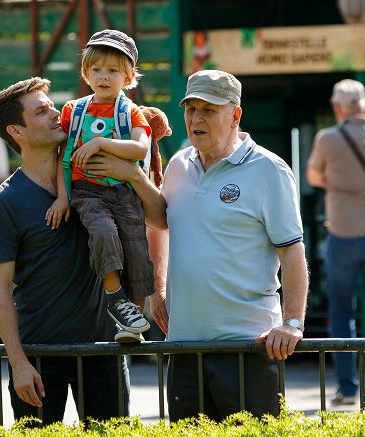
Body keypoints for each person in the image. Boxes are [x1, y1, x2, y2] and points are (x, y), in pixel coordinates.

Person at [85, 69, 309, 421]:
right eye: (191, 109)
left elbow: (292, 250)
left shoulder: (270, 170)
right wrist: (157, 290)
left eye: (208, 109)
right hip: (183, 345)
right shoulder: (178, 163)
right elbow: (162, 221)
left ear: (234, 115)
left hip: (248, 346)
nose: (196, 118)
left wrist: (293, 322)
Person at [0, 77, 129, 425]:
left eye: (51, 106)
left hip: (103, 350)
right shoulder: (3, 202)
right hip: (39, 357)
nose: (55, 114)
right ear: (16, 131)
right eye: (41, 111)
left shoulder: (94, 177)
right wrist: (18, 362)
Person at [45, 29, 153, 342]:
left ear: (129, 76)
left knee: (136, 252)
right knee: (104, 234)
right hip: (87, 193)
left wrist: (100, 143)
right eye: (96, 69)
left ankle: (131, 324)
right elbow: (62, 158)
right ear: (86, 73)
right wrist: (64, 198)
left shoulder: (130, 112)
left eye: (113, 71)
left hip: (123, 194)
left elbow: (140, 149)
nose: (103, 77)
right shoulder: (74, 111)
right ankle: (115, 297)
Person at [306, 79, 365, 405]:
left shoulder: (328, 139)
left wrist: (338, 180)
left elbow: (313, 177)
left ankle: (347, 389)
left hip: (341, 235)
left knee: (341, 313)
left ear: (337, 107)